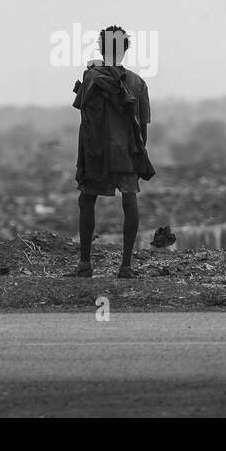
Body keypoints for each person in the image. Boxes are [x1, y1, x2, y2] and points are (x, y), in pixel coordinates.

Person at [71, 25, 154, 278]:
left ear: (101, 46)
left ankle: (85, 265)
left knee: (87, 201)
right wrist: (139, 155)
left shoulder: (90, 78)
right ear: (126, 50)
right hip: (127, 154)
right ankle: (126, 266)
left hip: (96, 154)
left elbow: (84, 119)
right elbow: (143, 127)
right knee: (130, 202)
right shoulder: (138, 84)